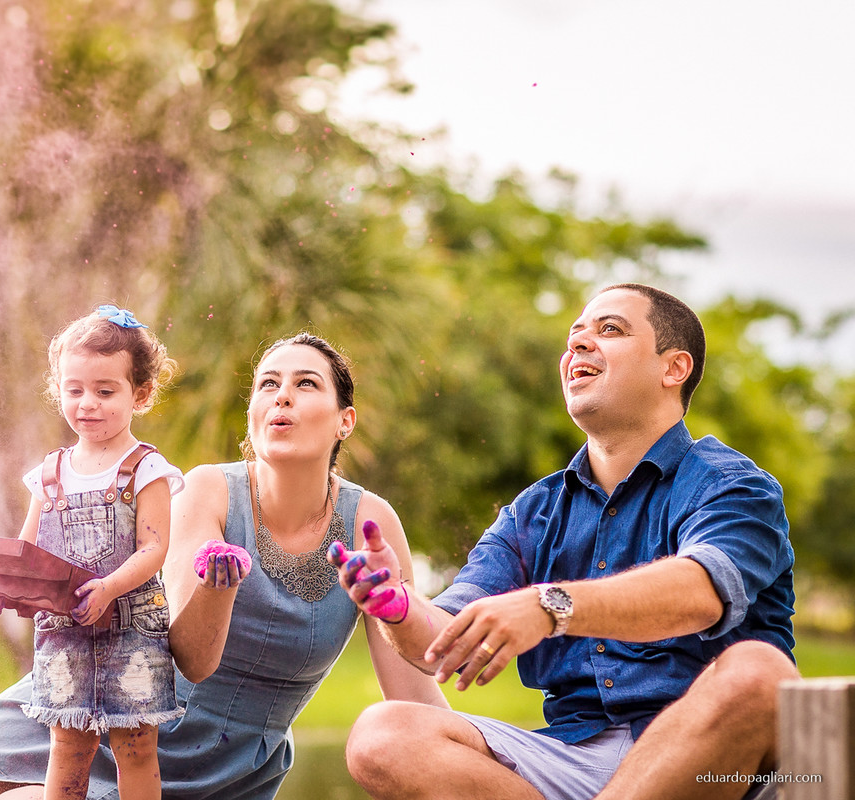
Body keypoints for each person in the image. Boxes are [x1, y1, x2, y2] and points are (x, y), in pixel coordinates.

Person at [0, 331, 447, 800]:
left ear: (345, 420)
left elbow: (413, 698)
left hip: (213, 775)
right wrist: (218, 586)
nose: (282, 396)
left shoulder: (370, 521)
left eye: (305, 383)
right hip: (93, 704)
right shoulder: (208, 490)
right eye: (268, 383)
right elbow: (191, 658)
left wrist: (494, 755)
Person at [331, 283, 800, 800]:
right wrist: (397, 607)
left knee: (759, 671)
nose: (578, 345)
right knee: (383, 734)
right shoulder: (534, 510)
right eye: (574, 335)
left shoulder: (733, 485)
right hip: (568, 757)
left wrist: (550, 606)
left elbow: (699, 593)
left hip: (706, 760)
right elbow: (445, 638)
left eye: (610, 330)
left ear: (674, 369)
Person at [20, 304, 185, 800]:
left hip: (132, 626)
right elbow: (27, 550)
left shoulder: (146, 469)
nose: (87, 403)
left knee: (135, 746)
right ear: (59, 391)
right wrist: (6, 586)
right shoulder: (50, 473)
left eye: (105, 391)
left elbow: (155, 548)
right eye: (74, 390)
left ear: (141, 394)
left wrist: (110, 586)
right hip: (65, 632)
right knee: (68, 744)